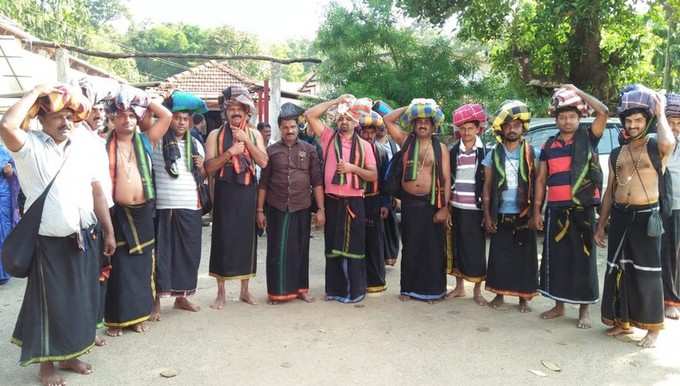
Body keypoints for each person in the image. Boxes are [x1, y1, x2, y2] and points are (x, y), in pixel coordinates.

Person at [1, 84, 115, 386]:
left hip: (84, 235)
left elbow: (96, 190)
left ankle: (70, 354)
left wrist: (109, 231)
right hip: (48, 240)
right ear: (41, 119)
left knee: (80, 300)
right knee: (48, 304)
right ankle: (46, 366)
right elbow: (6, 125)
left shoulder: (81, 147)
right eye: (57, 117)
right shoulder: (29, 147)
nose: (66, 123)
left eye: (69, 117)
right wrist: (36, 91)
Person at [595, 85, 675, 348]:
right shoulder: (618, 153)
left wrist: (661, 113)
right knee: (618, 269)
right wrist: (600, 225)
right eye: (628, 121)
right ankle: (622, 322)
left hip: (646, 217)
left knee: (648, 272)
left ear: (647, 121)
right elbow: (610, 191)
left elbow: (669, 142)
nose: (632, 125)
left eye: (638, 120)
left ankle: (653, 329)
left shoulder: (655, 147)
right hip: (620, 216)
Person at [532, 85, 609, 329]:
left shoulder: (588, 137)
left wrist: (577, 91)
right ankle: (558, 305)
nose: (567, 121)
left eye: (572, 116)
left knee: (582, 260)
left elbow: (604, 111)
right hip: (556, 209)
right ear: (556, 119)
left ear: (579, 118)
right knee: (557, 260)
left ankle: (584, 310)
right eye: (562, 117)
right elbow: (541, 180)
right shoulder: (549, 145)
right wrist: (537, 210)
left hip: (582, 210)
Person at [103, 87, 172, 336]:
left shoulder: (145, 139)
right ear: (112, 118)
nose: (127, 120)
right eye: (121, 115)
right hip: (117, 213)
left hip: (143, 212)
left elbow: (166, 116)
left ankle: (138, 316)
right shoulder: (103, 144)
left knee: (143, 266)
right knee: (119, 267)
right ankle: (116, 320)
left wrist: (142, 97)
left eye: (132, 115)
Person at [304, 95, 378, 303]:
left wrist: (352, 168)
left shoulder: (365, 146)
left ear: (356, 123)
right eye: (340, 119)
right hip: (332, 200)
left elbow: (373, 176)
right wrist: (336, 101)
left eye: (348, 119)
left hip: (354, 201)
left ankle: (355, 291)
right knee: (332, 246)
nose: (344, 122)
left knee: (354, 247)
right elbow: (310, 115)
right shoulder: (328, 137)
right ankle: (335, 290)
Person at [205, 86, 268, 307]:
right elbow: (209, 168)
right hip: (224, 192)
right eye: (231, 108)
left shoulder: (255, 134)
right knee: (222, 240)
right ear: (225, 111)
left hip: (247, 191)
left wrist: (246, 142)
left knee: (246, 241)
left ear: (247, 112)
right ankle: (221, 292)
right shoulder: (215, 135)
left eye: (240, 108)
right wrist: (230, 153)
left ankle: (245, 290)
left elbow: (264, 162)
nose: (235, 112)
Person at [257, 103, 325, 304]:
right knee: (276, 250)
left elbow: (317, 182)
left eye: (293, 127)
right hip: (276, 207)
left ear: (298, 128)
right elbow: (263, 184)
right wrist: (260, 210)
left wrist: (321, 209)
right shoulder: (271, 151)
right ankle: (277, 292)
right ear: (280, 128)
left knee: (300, 249)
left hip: (301, 206)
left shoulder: (310, 149)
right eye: (286, 127)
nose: (290, 130)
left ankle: (301, 289)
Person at [384, 99, 451, 302]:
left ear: (433, 125)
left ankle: (433, 291)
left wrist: (445, 208)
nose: (422, 124)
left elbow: (447, 179)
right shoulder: (405, 140)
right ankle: (408, 290)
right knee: (411, 246)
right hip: (410, 203)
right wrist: (413, 106)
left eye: (426, 121)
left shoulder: (441, 148)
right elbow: (387, 120)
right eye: (418, 120)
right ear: (413, 124)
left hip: (432, 203)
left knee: (432, 249)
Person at [150, 95, 207, 320]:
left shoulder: (196, 145)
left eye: (186, 119)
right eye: (177, 118)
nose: (182, 122)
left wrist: (202, 167)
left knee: (188, 256)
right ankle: (155, 302)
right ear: (169, 120)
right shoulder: (156, 141)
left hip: (190, 207)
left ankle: (181, 297)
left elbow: (200, 176)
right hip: (165, 206)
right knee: (162, 256)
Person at [482, 100, 538, 313]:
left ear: (522, 128)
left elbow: (540, 185)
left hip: (524, 214)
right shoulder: (493, 154)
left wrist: (537, 213)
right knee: (500, 256)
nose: (512, 129)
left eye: (516, 125)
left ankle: (524, 298)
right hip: (501, 212)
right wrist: (487, 216)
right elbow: (487, 188)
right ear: (502, 129)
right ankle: (499, 294)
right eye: (508, 125)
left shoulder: (533, 154)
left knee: (524, 258)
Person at [446, 103, 488, 305]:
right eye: (462, 128)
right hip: (456, 207)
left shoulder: (486, 152)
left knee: (476, 250)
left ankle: (477, 291)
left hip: (476, 209)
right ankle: (459, 287)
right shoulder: (453, 152)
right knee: (457, 247)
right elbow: (447, 181)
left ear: (478, 129)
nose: (466, 132)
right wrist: (447, 207)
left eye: (470, 128)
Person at [357, 111, 390, 293]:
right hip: (356, 201)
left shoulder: (382, 151)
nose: (369, 135)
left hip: (375, 200)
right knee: (357, 240)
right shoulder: (353, 149)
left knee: (375, 242)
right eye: (365, 131)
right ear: (360, 131)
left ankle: (376, 281)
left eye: (372, 132)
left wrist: (385, 203)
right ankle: (358, 280)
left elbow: (386, 180)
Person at [662, 92, 680, 319]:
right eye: (671, 122)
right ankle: (670, 300)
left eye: (679, 123)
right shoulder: (661, 144)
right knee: (668, 255)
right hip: (667, 207)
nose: (675, 127)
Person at [375, 120, 401, 266]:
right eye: (379, 127)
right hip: (374, 189)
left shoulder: (393, 145)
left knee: (390, 226)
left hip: (389, 190)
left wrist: (396, 195)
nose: (382, 130)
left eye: (384, 127)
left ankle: (388, 257)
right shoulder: (368, 144)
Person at [0, 144, 19, 285]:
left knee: (3, 232)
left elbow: (15, 169)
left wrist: (10, 171)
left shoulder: (3, 149)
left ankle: (3, 272)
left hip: (3, 198)